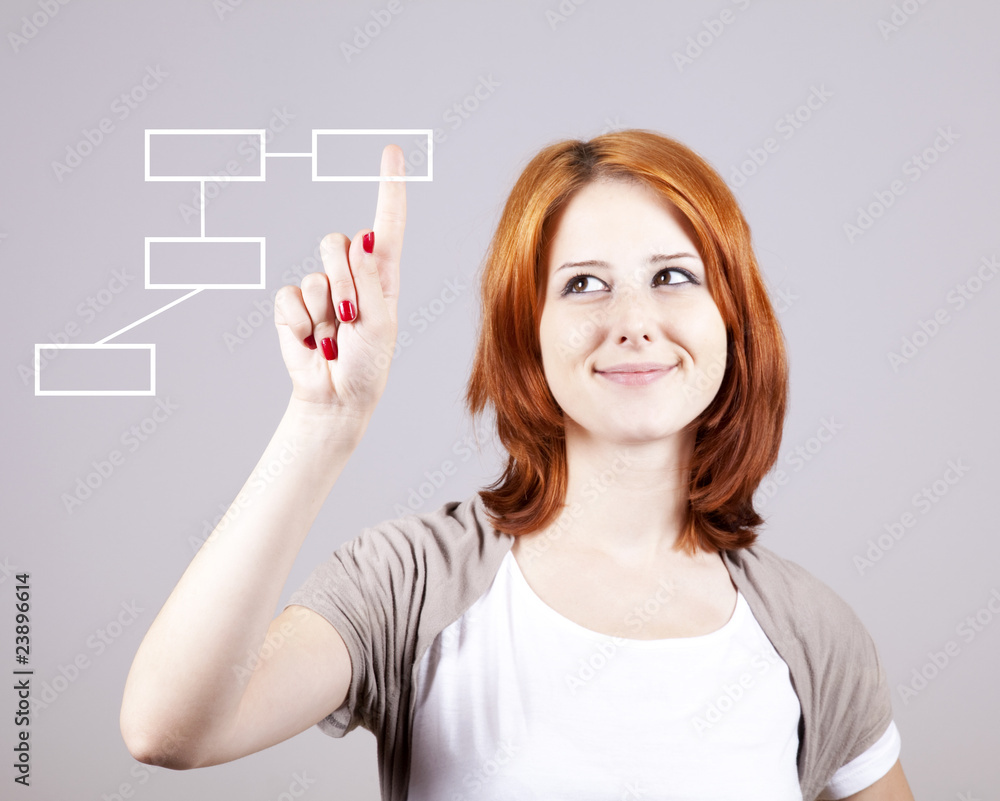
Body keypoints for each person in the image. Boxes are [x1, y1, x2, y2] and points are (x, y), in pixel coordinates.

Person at [120, 131, 915, 800]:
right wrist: (322, 422)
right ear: (523, 334)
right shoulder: (412, 581)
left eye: (673, 276)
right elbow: (168, 728)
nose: (634, 322)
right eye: (583, 285)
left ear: (733, 318)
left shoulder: (811, 632)